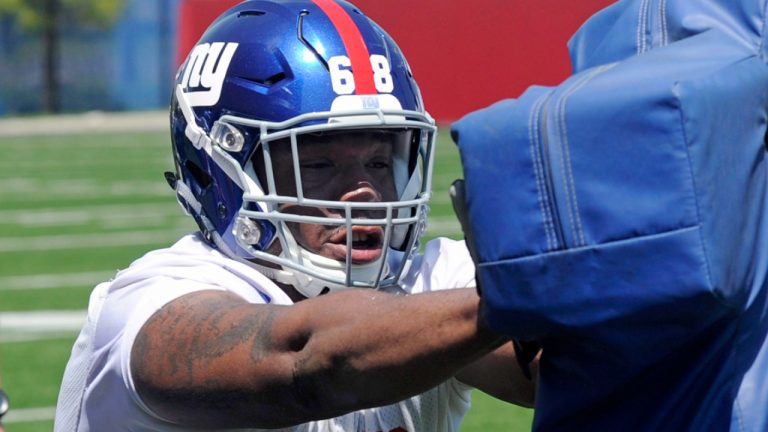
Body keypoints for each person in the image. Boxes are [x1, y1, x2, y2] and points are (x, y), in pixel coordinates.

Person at [54, 1, 536, 430]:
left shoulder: (430, 283)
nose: (364, 192)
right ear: (220, 171)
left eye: (378, 161)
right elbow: (305, 363)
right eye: (319, 165)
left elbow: (547, 375)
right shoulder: (151, 303)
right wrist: (508, 299)